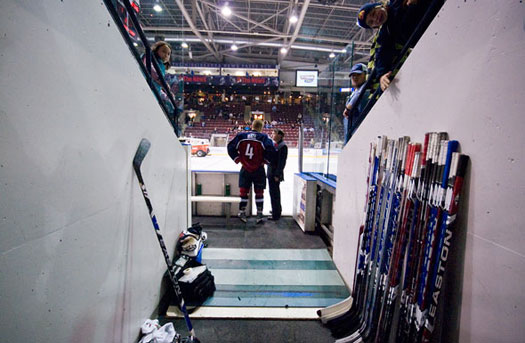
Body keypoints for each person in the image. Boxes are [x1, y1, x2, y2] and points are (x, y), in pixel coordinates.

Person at [357, 0, 441, 91]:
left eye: (373, 14)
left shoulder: (397, 2)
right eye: (371, 22)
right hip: (431, 42)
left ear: (379, 6)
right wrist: (382, 75)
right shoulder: (386, 31)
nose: (376, 19)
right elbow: (382, 53)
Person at [227, 120, 276, 224]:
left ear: (252, 126)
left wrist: (238, 159)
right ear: (261, 127)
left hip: (245, 168)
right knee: (259, 192)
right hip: (259, 169)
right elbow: (271, 151)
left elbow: (230, 147)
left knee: (243, 192)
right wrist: (264, 161)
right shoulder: (264, 137)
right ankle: (259, 213)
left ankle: (242, 212)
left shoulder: (241, 136)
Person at [343, 63, 370, 144]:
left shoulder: (365, 92)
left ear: (365, 75)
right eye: (353, 75)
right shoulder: (355, 92)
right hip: (351, 135)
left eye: (358, 74)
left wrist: (348, 108)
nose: (354, 77)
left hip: (357, 137)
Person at [267, 129, 288, 221]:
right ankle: (276, 210)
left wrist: (277, 175)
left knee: (275, 193)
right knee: (273, 192)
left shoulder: (282, 146)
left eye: (274, 133)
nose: (272, 135)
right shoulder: (275, 145)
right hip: (271, 173)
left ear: (280, 135)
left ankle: (276, 214)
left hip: (275, 174)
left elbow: (281, 163)